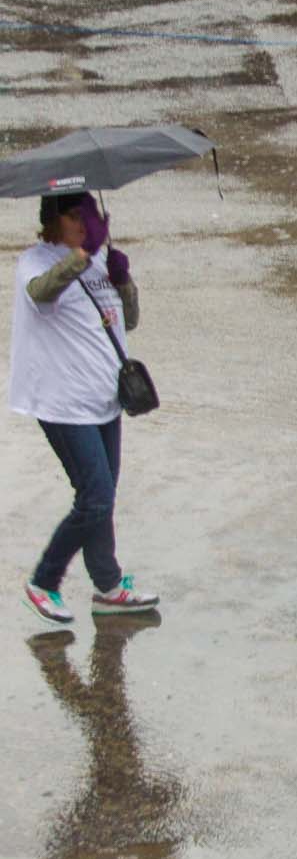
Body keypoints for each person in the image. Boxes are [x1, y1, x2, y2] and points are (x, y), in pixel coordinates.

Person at [12, 192, 160, 625]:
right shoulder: (36, 261)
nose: (87, 224)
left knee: (103, 497)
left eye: (91, 215)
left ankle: (108, 586)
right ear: (53, 221)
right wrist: (82, 253)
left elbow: (127, 320)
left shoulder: (95, 261)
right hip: (62, 403)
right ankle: (44, 581)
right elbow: (42, 293)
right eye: (77, 217)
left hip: (104, 400)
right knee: (94, 497)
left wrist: (122, 279)